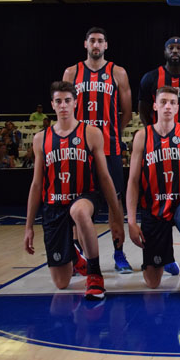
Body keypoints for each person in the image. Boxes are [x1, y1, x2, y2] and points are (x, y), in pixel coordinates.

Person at [24, 81, 123, 300]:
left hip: (84, 197)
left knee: (78, 211)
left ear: (75, 103)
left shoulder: (91, 133)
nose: (63, 106)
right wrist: (29, 226)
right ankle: (76, 255)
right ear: (52, 104)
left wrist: (116, 216)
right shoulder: (41, 139)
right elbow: (37, 185)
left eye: (67, 100)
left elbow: (105, 177)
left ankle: (95, 274)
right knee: (61, 283)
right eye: (58, 101)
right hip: (53, 205)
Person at [126, 86, 180, 298]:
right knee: (152, 283)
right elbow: (133, 181)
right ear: (155, 105)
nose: (167, 106)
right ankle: (167, 258)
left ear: (178, 107)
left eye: (172, 102)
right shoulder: (142, 136)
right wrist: (133, 222)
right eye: (163, 102)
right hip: (153, 208)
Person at [63, 26, 133, 273]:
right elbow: (64, 109)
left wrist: (112, 131)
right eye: (92, 40)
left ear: (106, 45)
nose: (96, 44)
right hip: (80, 150)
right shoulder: (72, 72)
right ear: (85, 44)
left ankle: (118, 253)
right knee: (78, 203)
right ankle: (79, 257)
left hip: (110, 148)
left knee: (115, 204)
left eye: (100, 41)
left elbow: (126, 111)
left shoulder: (118, 72)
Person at [138, 37, 180, 132]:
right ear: (164, 52)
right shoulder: (151, 77)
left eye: (179, 48)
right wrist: (153, 133)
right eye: (170, 48)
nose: (175, 51)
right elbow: (143, 111)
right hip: (160, 138)